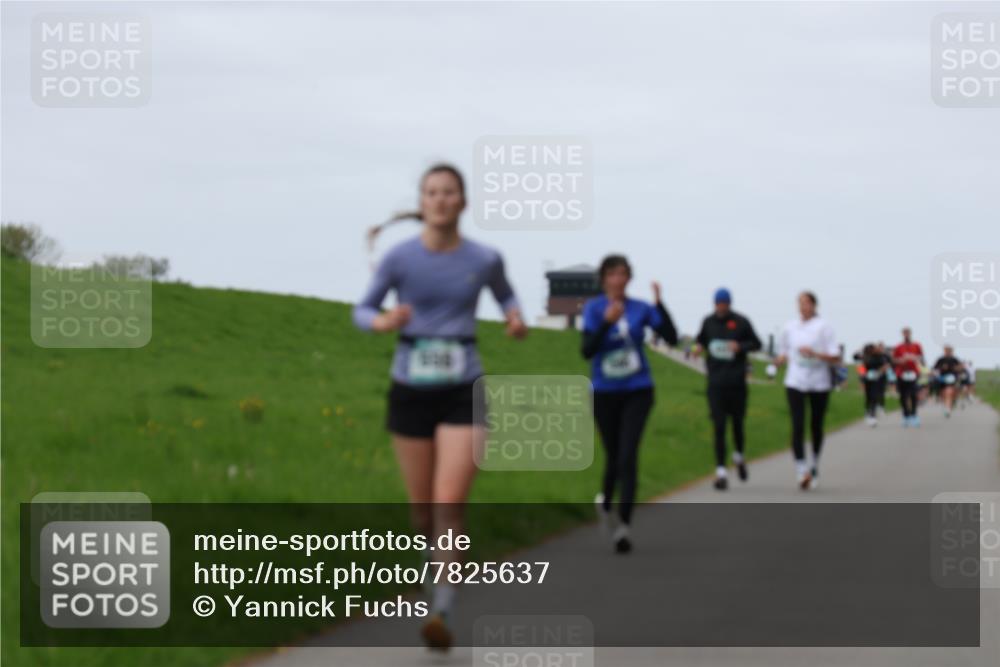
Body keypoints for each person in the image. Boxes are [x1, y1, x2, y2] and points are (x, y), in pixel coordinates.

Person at [354, 163, 528, 651]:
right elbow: (361, 309)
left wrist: (514, 319)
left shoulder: (485, 257)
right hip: (410, 384)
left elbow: (506, 294)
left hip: (462, 386)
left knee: (449, 501)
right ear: (423, 201)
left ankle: (441, 608)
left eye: (449, 192)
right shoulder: (400, 259)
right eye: (432, 192)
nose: (440, 200)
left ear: (463, 202)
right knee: (422, 514)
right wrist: (383, 322)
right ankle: (438, 576)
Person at [582, 255, 678, 553]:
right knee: (613, 456)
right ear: (603, 279)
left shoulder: (640, 309)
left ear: (628, 278)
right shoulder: (593, 309)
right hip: (604, 391)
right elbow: (587, 350)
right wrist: (606, 324)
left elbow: (671, 337)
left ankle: (624, 525)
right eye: (613, 274)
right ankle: (607, 502)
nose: (618, 279)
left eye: (623, 273)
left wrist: (660, 304)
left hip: (638, 390)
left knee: (628, 454)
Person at [693, 288, 762, 490]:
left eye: (724, 303)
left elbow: (757, 343)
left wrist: (740, 347)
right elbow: (701, 340)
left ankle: (739, 456)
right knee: (719, 426)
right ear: (714, 304)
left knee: (738, 424)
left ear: (729, 303)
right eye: (718, 303)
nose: (721, 306)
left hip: (737, 383)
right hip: (715, 383)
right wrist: (697, 348)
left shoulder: (741, 322)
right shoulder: (708, 322)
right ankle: (721, 471)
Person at [774, 291, 840, 490]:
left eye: (807, 303)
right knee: (797, 424)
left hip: (819, 382)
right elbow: (783, 350)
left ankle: (814, 463)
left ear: (814, 305)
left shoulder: (824, 327)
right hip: (795, 381)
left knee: (816, 425)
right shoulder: (790, 327)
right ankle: (801, 469)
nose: (803, 307)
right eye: (800, 303)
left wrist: (815, 354)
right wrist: (781, 359)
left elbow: (835, 356)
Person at [892, 327, 925, 427]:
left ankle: (914, 415)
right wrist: (901, 360)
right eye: (904, 333)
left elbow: (921, 357)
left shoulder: (917, 345)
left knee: (913, 394)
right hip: (901, 373)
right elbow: (893, 360)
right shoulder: (898, 347)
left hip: (913, 373)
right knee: (903, 395)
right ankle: (906, 416)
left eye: (908, 333)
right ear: (902, 334)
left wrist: (915, 358)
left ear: (910, 334)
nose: (906, 335)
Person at [861, 343, 892, 427]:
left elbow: (886, 365)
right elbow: (862, 367)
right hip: (867, 379)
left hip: (877, 379)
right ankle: (867, 411)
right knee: (868, 396)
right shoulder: (865, 357)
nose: (873, 350)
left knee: (874, 396)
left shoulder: (881, 357)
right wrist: (863, 374)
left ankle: (872, 415)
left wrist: (878, 372)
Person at [932, 346, 965, 418]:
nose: (948, 352)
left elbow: (961, 368)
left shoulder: (955, 359)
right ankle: (945, 404)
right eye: (946, 350)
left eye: (949, 350)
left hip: (952, 378)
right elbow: (935, 368)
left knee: (949, 392)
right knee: (944, 393)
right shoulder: (940, 359)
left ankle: (948, 408)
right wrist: (941, 368)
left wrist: (958, 368)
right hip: (942, 378)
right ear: (944, 351)